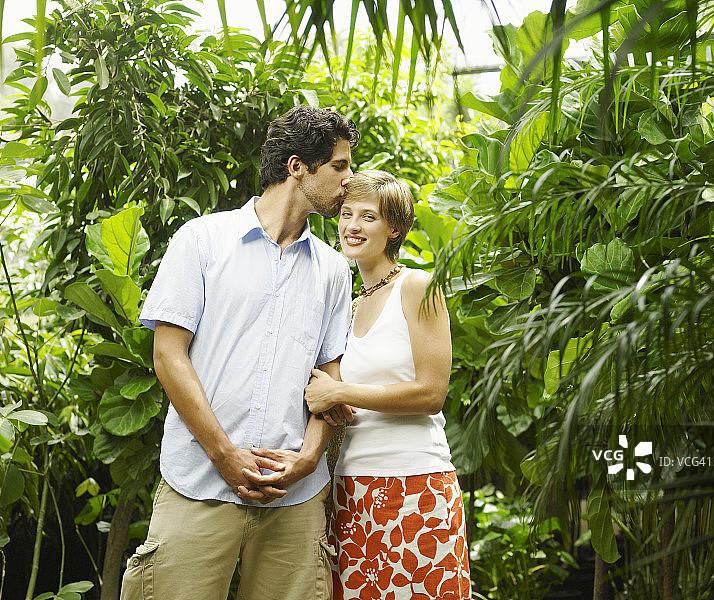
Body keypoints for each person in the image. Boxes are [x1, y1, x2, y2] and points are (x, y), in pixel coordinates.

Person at [119, 105, 359, 600]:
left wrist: (310, 457)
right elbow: (168, 355)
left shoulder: (334, 270)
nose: (349, 180)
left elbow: (328, 377)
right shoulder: (203, 240)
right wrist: (224, 453)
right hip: (200, 484)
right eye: (339, 166)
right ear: (298, 167)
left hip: (295, 499)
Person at [299, 170, 472, 599]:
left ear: (394, 227)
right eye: (346, 213)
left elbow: (431, 393)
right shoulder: (349, 302)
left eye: (368, 217)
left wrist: (340, 393)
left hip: (416, 485)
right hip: (352, 488)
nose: (352, 226)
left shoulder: (417, 285)